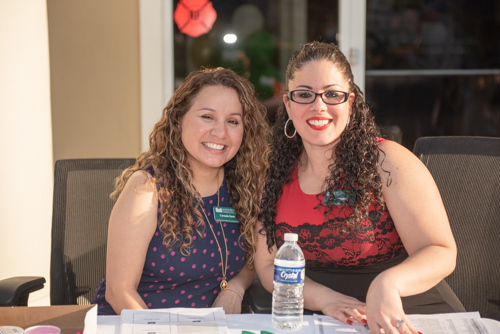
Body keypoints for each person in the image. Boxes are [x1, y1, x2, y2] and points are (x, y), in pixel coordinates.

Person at [254, 41, 464, 334]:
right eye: (304, 95)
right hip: (318, 314)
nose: (318, 106)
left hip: (407, 308)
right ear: (288, 104)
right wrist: (325, 298)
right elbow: (266, 265)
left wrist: (387, 283)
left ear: (350, 102)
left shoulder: (388, 161)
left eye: (332, 94)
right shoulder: (272, 173)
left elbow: (441, 251)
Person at [92, 67, 269, 315]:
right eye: (207, 117)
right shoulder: (147, 189)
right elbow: (119, 292)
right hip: (136, 325)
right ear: (178, 120)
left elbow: (250, 259)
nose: (220, 132)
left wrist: (235, 289)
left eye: (233, 121)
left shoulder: (245, 185)